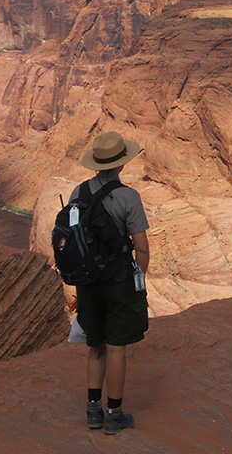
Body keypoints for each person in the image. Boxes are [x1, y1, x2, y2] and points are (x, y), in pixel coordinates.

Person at [71, 131, 150, 435]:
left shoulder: (79, 192)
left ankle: (93, 412)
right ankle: (114, 415)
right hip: (117, 279)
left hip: (87, 280)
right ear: (121, 163)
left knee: (96, 347)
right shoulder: (129, 197)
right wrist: (138, 277)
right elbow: (141, 247)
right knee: (116, 348)